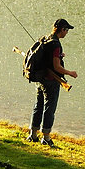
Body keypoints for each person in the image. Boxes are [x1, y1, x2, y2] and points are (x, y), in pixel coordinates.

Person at [27, 19, 78, 147]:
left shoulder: (46, 38)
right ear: (63, 30)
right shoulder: (56, 45)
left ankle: (33, 134)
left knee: (38, 106)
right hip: (51, 80)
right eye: (67, 30)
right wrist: (70, 72)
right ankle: (46, 137)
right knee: (49, 109)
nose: (67, 33)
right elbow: (56, 67)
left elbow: (49, 57)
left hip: (40, 79)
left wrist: (60, 56)